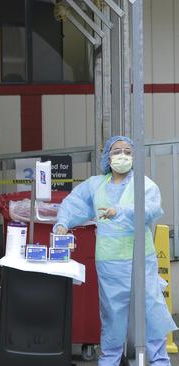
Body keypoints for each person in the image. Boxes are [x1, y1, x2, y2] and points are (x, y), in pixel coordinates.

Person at [54, 136, 177, 366]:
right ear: (108, 158)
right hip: (110, 261)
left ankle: (159, 361)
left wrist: (119, 211)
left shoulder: (143, 183)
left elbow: (151, 208)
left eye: (128, 152)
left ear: (134, 157)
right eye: (117, 151)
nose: (123, 155)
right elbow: (73, 204)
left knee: (151, 310)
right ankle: (109, 360)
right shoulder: (95, 184)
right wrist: (63, 222)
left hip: (140, 258)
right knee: (112, 316)